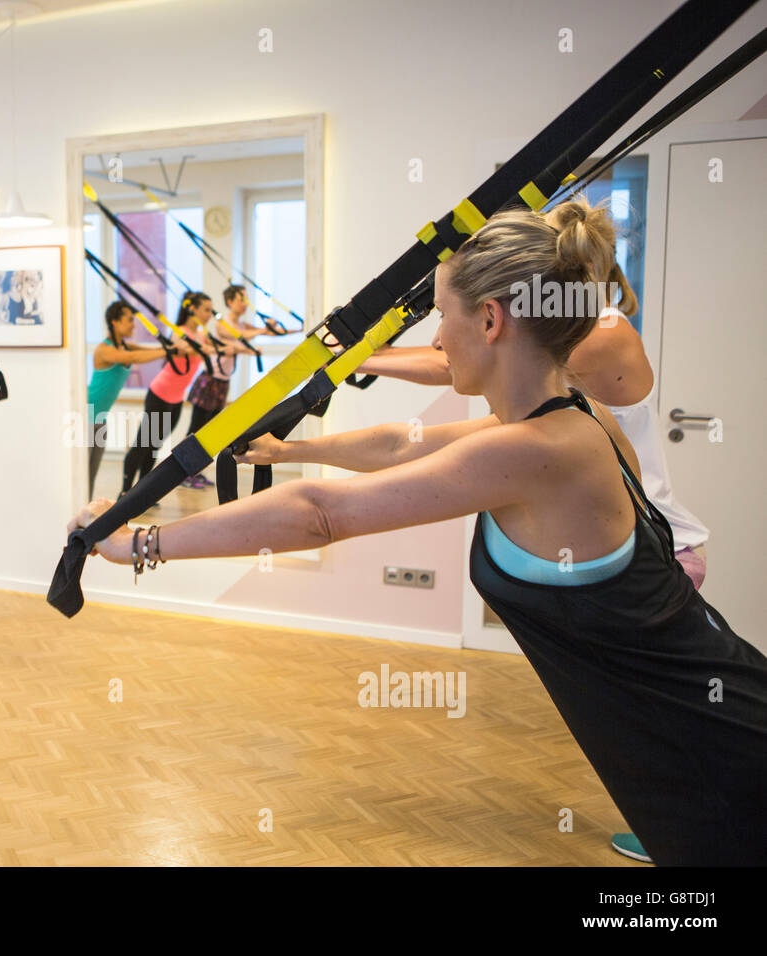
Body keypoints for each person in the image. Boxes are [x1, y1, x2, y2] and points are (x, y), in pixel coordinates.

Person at [69, 208, 767, 865]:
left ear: (490, 320)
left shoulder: (536, 451)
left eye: (440, 317)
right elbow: (404, 445)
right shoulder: (572, 419)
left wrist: (137, 543)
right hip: (709, 735)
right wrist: (288, 452)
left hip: (720, 759)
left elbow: (321, 515)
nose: (435, 341)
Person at [347, 199, 710, 861]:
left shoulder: (596, 332)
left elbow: (450, 364)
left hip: (652, 540)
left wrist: (360, 356)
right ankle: (680, 826)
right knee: (638, 709)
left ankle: (689, 830)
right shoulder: (565, 333)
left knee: (656, 709)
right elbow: (438, 390)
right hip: (619, 532)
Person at [86, 300, 189, 499]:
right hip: (86, 415)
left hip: (100, 418)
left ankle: (85, 516)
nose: (134, 324)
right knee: (84, 474)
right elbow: (133, 358)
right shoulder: (104, 350)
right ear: (114, 322)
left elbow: (142, 351)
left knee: (91, 473)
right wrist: (171, 351)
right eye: (129, 320)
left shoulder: (124, 345)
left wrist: (171, 348)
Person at [120, 292, 213, 496]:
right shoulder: (179, 331)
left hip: (176, 398)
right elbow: (182, 349)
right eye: (206, 309)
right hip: (160, 394)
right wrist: (202, 349)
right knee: (143, 443)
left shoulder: (202, 335)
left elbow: (209, 348)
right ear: (192, 309)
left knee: (155, 445)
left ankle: (141, 493)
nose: (210, 314)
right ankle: (125, 492)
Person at [182, 284, 266, 488]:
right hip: (209, 382)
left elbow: (235, 344)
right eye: (206, 310)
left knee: (210, 432)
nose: (210, 314)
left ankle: (195, 472)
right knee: (196, 431)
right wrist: (255, 343)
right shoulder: (222, 325)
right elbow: (230, 345)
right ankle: (184, 473)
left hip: (221, 384)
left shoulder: (226, 327)